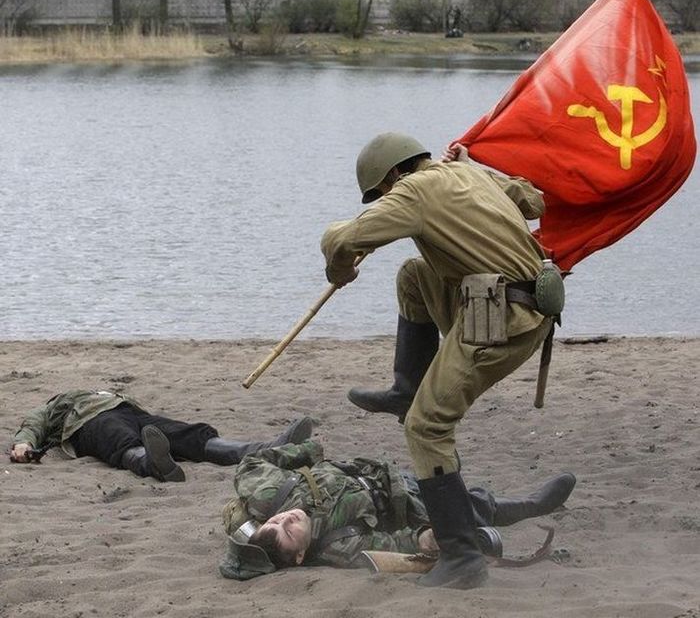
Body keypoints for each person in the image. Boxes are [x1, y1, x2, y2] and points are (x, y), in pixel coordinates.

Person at [320, 133, 564, 589]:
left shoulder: (414, 189)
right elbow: (533, 201)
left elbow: (345, 237)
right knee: (414, 275)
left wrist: (340, 268)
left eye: (382, 192)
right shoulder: (465, 174)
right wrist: (475, 169)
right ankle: (407, 388)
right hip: (520, 306)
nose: (385, 200)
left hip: (500, 318)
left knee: (426, 428)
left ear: (395, 174)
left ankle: (462, 557)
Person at [218, 440, 576, 580]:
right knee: (470, 507)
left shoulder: (269, 496)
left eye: (276, 521)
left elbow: (250, 463)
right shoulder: (336, 546)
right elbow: (394, 544)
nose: (287, 518)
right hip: (406, 500)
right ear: (299, 557)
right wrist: (428, 537)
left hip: (383, 470)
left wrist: (305, 451)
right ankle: (532, 505)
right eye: (288, 531)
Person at [10, 389, 313, 482]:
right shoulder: (56, 406)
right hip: (89, 423)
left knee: (188, 434)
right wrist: (24, 443)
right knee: (119, 440)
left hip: (134, 414)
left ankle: (262, 449)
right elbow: (33, 423)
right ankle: (152, 464)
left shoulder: (108, 394)